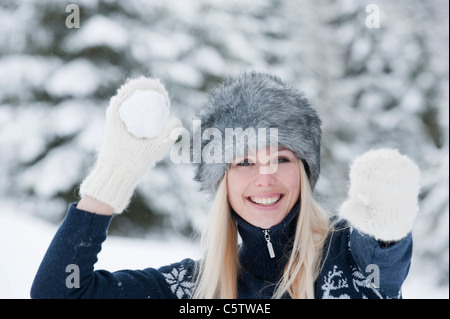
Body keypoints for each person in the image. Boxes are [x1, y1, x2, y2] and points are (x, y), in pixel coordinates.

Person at [30, 72, 420, 299]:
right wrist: (111, 179)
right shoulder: (196, 289)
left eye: (282, 159)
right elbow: (57, 294)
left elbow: (382, 268)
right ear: (223, 182)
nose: (264, 177)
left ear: (303, 172)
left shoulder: (347, 255)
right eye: (245, 161)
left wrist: (386, 233)